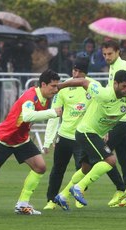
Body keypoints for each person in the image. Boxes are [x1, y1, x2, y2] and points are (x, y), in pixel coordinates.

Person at [0, 69, 62, 216]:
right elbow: (27, 116)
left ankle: (22, 204)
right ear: (43, 84)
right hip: (5, 138)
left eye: (57, 86)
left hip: (21, 140)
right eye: (53, 86)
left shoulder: (45, 96)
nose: (56, 89)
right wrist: (53, 113)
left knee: (40, 167)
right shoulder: (30, 97)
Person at [53, 70, 126, 209]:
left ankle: (62, 195)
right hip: (86, 132)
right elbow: (83, 81)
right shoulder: (103, 93)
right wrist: (60, 86)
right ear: (115, 84)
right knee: (110, 160)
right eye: (124, 86)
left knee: (86, 168)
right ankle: (79, 187)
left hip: (95, 135)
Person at [43, 58, 92, 210]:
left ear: (85, 73)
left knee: (83, 169)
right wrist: (47, 140)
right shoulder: (63, 87)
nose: (75, 74)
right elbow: (54, 114)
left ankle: (77, 196)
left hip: (81, 137)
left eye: (79, 71)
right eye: (74, 70)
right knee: (57, 169)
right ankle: (51, 200)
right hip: (64, 136)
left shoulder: (92, 86)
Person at [101, 40, 126, 207]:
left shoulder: (123, 67)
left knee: (103, 153)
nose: (107, 57)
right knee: (124, 159)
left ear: (117, 52)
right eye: (104, 54)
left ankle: (121, 189)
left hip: (121, 118)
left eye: (110, 54)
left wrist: (109, 119)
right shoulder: (114, 66)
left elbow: (122, 94)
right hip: (122, 118)